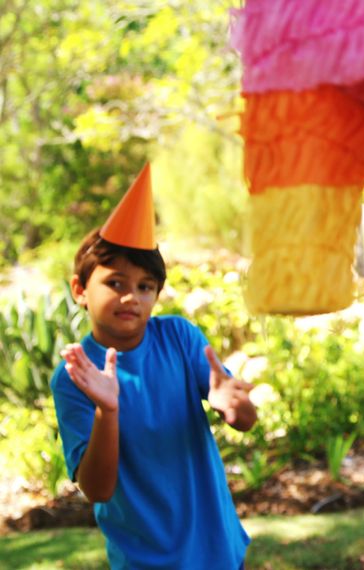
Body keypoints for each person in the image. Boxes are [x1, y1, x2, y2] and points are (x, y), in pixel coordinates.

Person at [51, 166, 255, 569]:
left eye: (145, 286)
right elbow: (98, 489)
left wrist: (233, 404)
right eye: (116, 283)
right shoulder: (75, 375)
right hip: (143, 560)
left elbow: (245, 419)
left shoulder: (179, 338)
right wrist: (106, 410)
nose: (132, 297)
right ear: (80, 290)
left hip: (217, 551)